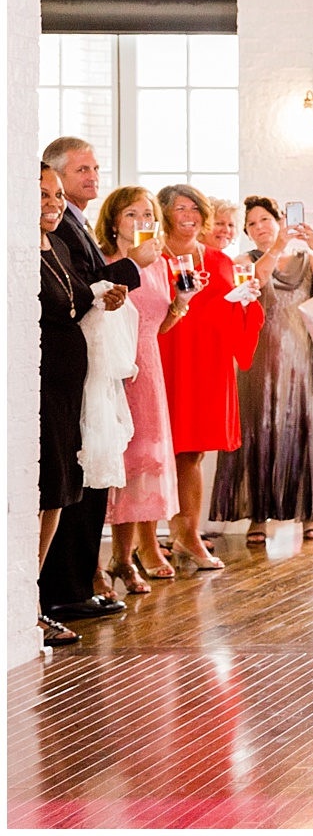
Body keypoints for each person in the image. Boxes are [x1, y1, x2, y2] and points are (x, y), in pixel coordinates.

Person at [38, 137, 152, 624]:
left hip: (86, 367)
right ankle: (64, 588)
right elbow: (78, 291)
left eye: (95, 167)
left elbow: (82, 287)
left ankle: (78, 582)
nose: (91, 176)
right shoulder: (54, 230)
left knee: (82, 478)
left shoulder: (67, 227)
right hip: (60, 376)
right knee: (69, 480)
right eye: (80, 169)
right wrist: (129, 268)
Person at [212, 195, 313, 543]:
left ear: (279, 220)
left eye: (265, 220)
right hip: (260, 359)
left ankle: (311, 513)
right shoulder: (245, 259)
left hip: (303, 358)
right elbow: (257, 278)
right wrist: (278, 246)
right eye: (252, 224)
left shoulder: (305, 259)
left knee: (307, 431)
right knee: (258, 432)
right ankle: (258, 517)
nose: (260, 228)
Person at [157, 184, 265, 571]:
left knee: (193, 452)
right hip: (165, 357)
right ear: (165, 213)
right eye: (180, 208)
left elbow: (229, 310)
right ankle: (145, 544)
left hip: (207, 363)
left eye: (195, 208)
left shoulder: (218, 260)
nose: (189, 214)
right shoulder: (153, 256)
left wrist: (247, 301)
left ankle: (186, 536)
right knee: (154, 452)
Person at [96, 186, 183, 592]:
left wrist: (180, 304)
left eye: (148, 214)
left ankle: (125, 557)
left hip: (150, 364)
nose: (143, 221)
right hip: (116, 364)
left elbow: (157, 324)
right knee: (120, 460)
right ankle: (113, 558)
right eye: (132, 214)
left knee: (145, 461)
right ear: (115, 222)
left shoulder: (159, 263)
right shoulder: (107, 261)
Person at [38, 164, 96, 645]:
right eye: (43, 196)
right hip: (40, 387)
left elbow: (76, 298)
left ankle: (29, 594)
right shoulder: (20, 252)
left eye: (58, 196)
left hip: (67, 388)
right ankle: (29, 600)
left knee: (60, 489)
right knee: (44, 489)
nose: (54, 204)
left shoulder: (56, 246)